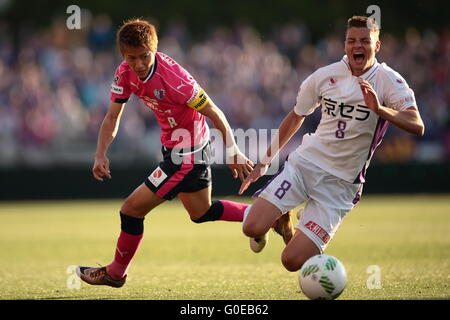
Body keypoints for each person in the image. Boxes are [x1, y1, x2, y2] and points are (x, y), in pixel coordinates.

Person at [76, 19, 293, 288]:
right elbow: (112, 117)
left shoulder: (175, 80)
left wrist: (233, 149)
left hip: (186, 154)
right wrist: (100, 153)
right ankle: (268, 216)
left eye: (144, 56)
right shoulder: (124, 73)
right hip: (178, 147)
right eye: (132, 58)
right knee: (201, 212)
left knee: (131, 211)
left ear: (154, 50)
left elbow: (215, 112)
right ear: (123, 56)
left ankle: (116, 273)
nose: (139, 64)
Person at [239, 16, 424, 272]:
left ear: (377, 45)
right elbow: (296, 115)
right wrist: (265, 162)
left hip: (340, 185)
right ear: (344, 44)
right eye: (351, 41)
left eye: (364, 41)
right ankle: (282, 218)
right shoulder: (324, 76)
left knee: (291, 262)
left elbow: (417, 124)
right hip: (305, 166)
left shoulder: (389, 80)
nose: (357, 46)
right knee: (251, 227)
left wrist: (379, 109)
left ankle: (300, 217)